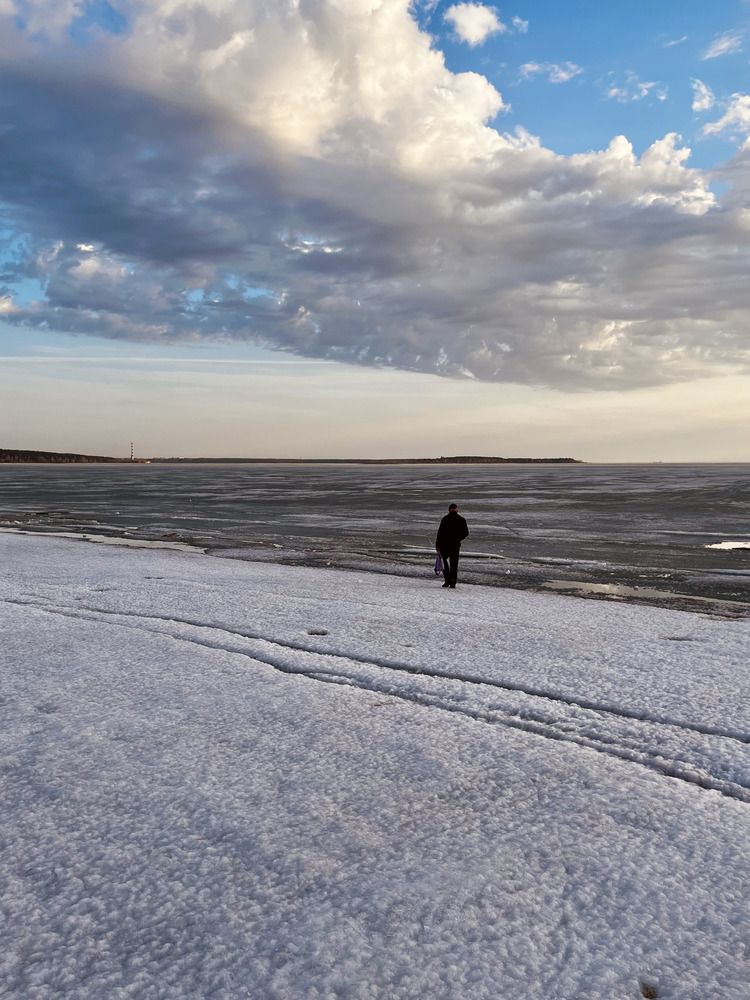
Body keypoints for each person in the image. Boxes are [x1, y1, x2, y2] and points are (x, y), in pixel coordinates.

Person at [435, 503, 469, 589]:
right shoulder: (461, 520)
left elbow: (440, 533)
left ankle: (447, 581)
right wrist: (459, 539)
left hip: (444, 545)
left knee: (444, 563)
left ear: (449, 510)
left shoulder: (445, 519)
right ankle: (453, 582)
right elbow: (466, 533)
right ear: (456, 509)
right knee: (454, 564)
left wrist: (437, 545)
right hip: (455, 545)